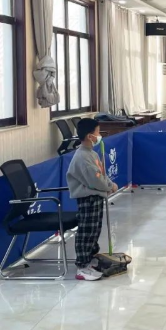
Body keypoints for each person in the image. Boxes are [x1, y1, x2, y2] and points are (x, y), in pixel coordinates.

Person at [66, 118, 118, 281]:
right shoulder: (82, 157)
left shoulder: (92, 153)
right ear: (90, 136)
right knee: (87, 231)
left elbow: (101, 174)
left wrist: (110, 184)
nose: (99, 135)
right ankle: (82, 266)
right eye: (97, 132)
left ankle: (91, 256)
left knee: (95, 229)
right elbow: (95, 180)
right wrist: (109, 186)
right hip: (88, 198)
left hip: (96, 197)